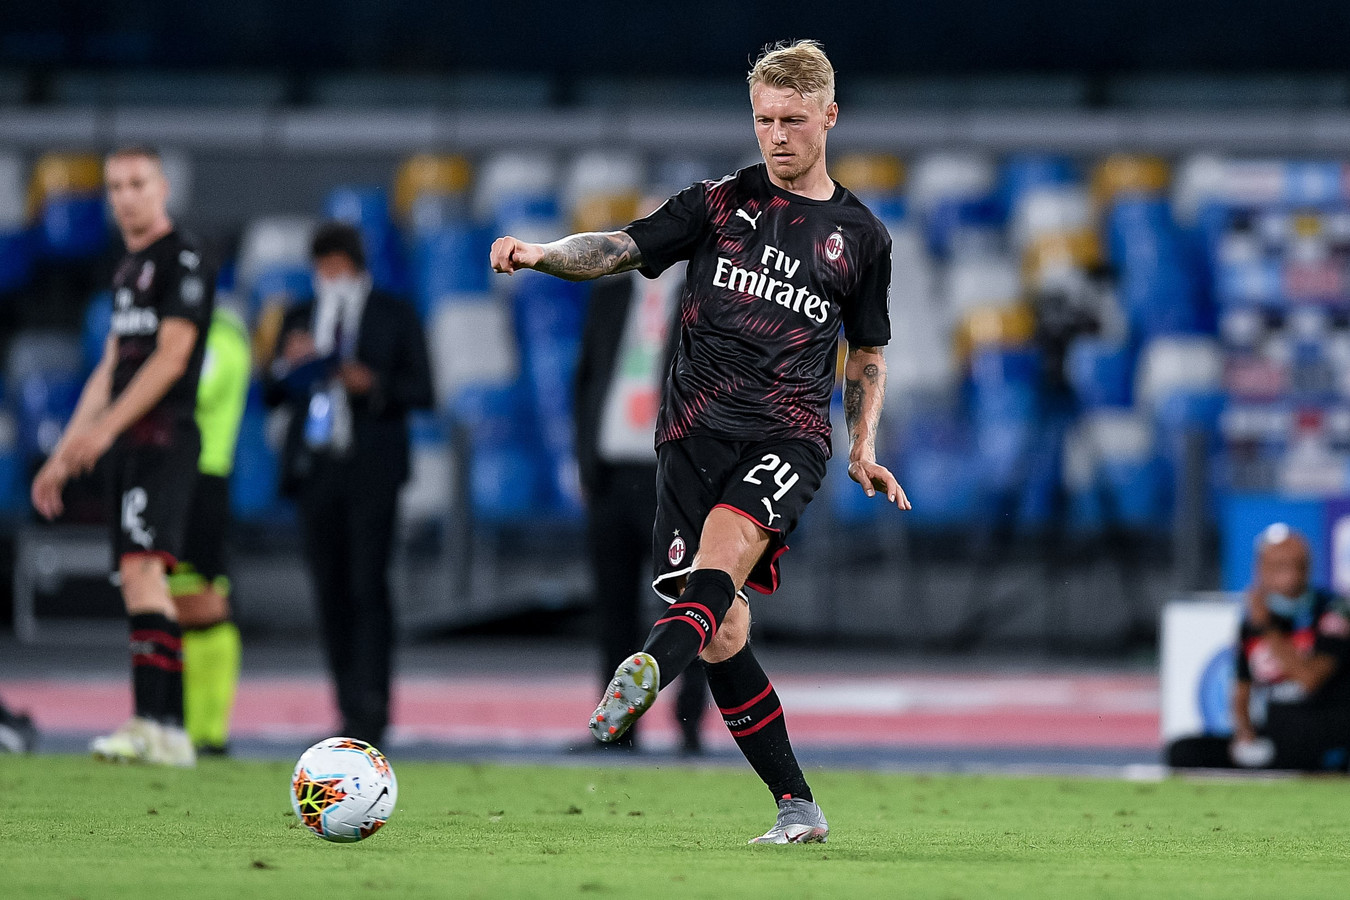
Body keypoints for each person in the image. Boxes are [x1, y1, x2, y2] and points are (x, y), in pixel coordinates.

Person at [492, 40, 907, 843]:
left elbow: (867, 352)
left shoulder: (862, 237)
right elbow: (617, 248)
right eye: (764, 119)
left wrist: (861, 445)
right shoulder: (716, 205)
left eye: (793, 120)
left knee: (721, 558)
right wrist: (543, 254)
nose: (777, 135)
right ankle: (797, 806)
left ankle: (648, 664)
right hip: (690, 439)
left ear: (829, 116)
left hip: (786, 437)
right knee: (723, 630)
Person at [31, 146, 215, 767]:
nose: (125, 197)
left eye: (137, 183)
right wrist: (64, 453)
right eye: (115, 186)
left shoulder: (182, 258)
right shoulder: (127, 268)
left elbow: (172, 357)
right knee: (139, 577)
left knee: (143, 572)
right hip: (130, 444)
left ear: (163, 187)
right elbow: (111, 366)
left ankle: (156, 724)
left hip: (163, 439)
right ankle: (165, 729)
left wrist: (105, 430)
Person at [264, 223, 433, 748]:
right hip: (316, 470)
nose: (327, 277)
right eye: (321, 268)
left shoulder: (393, 313)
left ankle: (374, 710)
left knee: (368, 587)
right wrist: (287, 364)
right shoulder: (299, 315)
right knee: (330, 592)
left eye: (335, 266)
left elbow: (423, 390)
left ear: (355, 264)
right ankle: (346, 708)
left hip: (371, 471)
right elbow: (269, 392)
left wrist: (372, 384)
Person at [573, 252, 709, 754]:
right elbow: (587, 377)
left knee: (688, 602)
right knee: (614, 607)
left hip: (671, 477)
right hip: (611, 474)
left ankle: (689, 724)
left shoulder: (706, 298)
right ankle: (618, 728)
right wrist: (585, 460)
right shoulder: (609, 295)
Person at [1166, 524, 1350, 771]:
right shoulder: (1252, 622)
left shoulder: (1333, 612)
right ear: (1261, 570)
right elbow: (1241, 690)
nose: (1292, 576)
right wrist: (1245, 733)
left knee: (1300, 741)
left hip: (1322, 728)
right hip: (1276, 733)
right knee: (1183, 751)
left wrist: (1268, 629)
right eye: (1281, 567)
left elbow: (1309, 680)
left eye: (1299, 565)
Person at [169, 304, 251, 755]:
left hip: (204, 475)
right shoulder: (190, 331)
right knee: (177, 598)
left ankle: (211, 730)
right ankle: (183, 723)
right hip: (176, 475)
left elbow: (194, 390)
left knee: (206, 598)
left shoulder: (221, 336)